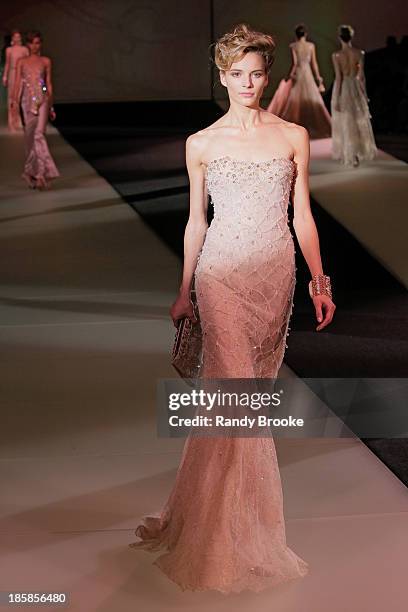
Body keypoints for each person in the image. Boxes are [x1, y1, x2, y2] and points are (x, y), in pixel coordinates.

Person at [130, 23, 336, 594]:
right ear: (222, 76)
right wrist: (183, 288)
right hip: (220, 275)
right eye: (237, 74)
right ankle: (228, 542)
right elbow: (197, 220)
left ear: (267, 75)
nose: (248, 83)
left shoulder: (292, 135)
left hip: (275, 278)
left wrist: (320, 280)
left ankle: (203, 519)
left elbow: (302, 217)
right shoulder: (202, 143)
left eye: (256, 73)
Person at [12, 31, 59, 189]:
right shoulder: (21, 62)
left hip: (43, 100)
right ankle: (30, 172)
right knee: (29, 138)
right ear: (27, 44)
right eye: (32, 43)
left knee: (39, 134)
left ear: (41, 44)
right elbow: (18, 83)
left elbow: (48, 84)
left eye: (37, 42)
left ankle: (41, 174)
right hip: (26, 102)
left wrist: (51, 104)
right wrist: (14, 102)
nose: (34, 46)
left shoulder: (46, 61)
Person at [267, 23, 331, 139]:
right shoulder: (311, 46)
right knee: (310, 99)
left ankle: (297, 128)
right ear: (305, 34)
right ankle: (310, 126)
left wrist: (290, 76)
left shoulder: (294, 46)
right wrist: (318, 78)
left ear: (296, 35)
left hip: (299, 74)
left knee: (295, 101)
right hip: (308, 74)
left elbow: (295, 64)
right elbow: (314, 63)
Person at [331, 25, 377, 167]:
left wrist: (336, 97)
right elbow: (361, 77)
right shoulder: (359, 53)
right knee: (357, 120)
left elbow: (338, 78)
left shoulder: (337, 55)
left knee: (347, 120)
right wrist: (364, 94)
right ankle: (356, 153)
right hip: (356, 89)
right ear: (351, 37)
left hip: (344, 88)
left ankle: (351, 154)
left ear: (340, 37)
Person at [2, 30, 29, 131]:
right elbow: (8, 63)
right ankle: (12, 122)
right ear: (12, 38)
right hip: (12, 73)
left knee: (21, 96)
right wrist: (5, 76)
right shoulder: (9, 50)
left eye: (19, 37)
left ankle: (20, 121)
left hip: (22, 74)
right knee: (11, 97)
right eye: (15, 37)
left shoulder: (25, 49)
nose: (17, 39)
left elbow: (27, 62)